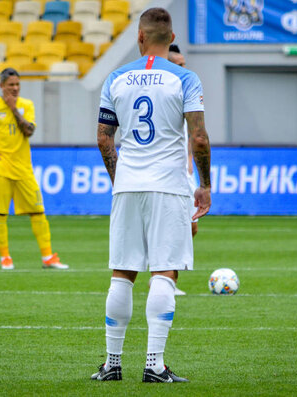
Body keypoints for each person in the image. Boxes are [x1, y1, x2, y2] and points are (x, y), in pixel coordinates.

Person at [91, 8, 212, 383]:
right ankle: (154, 365)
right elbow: (199, 138)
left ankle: (112, 364)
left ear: (140, 37)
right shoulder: (185, 79)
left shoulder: (115, 77)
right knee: (165, 270)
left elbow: (103, 137)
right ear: (170, 35)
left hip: (127, 184)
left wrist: (119, 179)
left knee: (122, 273)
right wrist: (204, 184)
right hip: (168, 185)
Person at [0, 68, 69, 270]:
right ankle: (5, 258)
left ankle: (48, 257)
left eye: (17, 84)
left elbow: (29, 131)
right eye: (11, 85)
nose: (15, 88)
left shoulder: (26, 105)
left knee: (38, 212)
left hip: (24, 168)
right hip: (0, 168)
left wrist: (13, 109)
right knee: (0, 214)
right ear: (2, 86)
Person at [168, 43, 196, 296]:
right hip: (168, 173)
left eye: (185, 65)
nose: (184, 69)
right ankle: (166, 280)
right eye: (178, 66)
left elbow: (191, 130)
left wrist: (189, 158)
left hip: (185, 170)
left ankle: (166, 278)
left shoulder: (187, 90)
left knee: (192, 226)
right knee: (178, 226)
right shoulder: (165, 93)